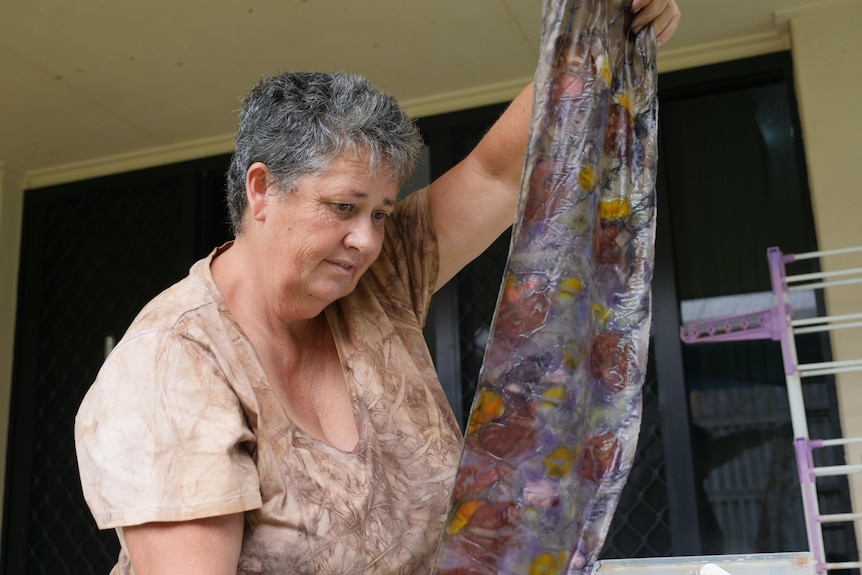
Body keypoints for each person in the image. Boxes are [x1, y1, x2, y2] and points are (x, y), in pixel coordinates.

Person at [74, 2, 681, 573]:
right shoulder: (171, 365)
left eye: (381, 214)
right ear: (261, 190)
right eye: (343, 206)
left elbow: (497, 172)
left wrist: (602, 27)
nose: (367, 240)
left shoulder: (377, 284)